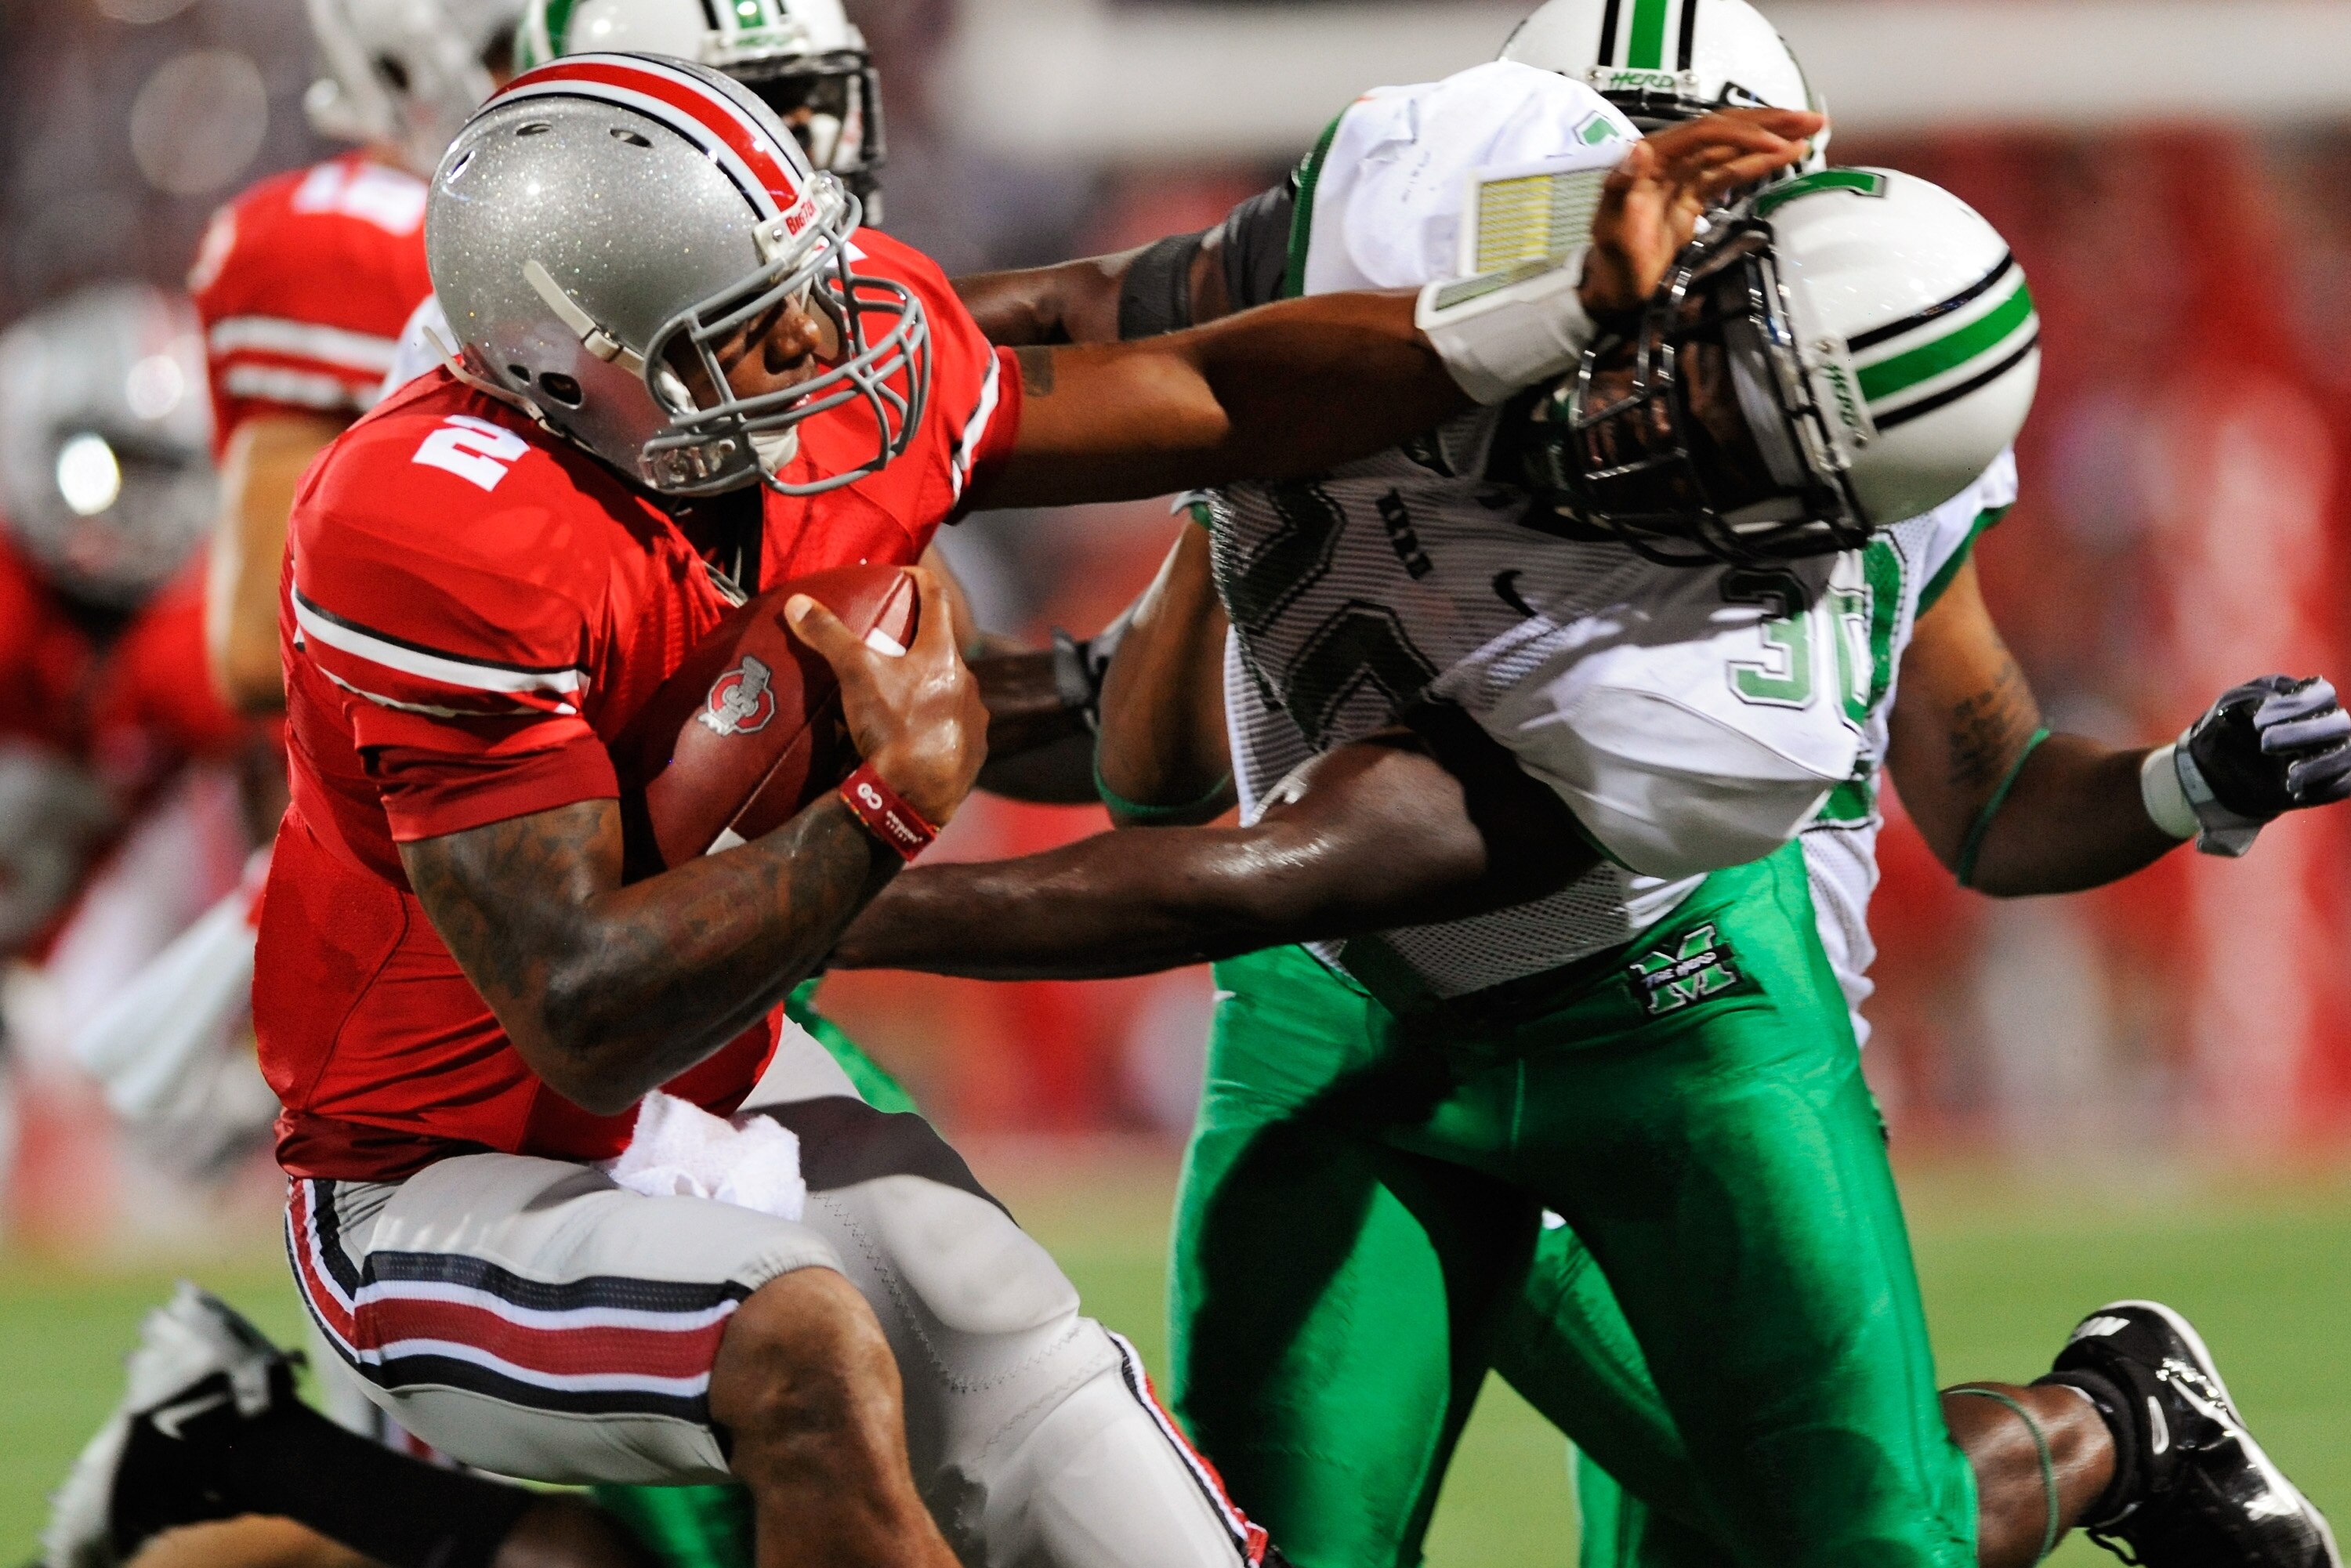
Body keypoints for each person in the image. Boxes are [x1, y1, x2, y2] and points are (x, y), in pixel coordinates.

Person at [147, 49, 1806, 1568]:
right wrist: (883, 805)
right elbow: (581, 1009)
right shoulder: (429, 526)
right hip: (430, 1179)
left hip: (713, 1087)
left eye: (800, 291)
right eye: (747, 330)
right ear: (564, 376)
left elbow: (1211, 394)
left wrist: (1541, 308)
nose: (817, 350)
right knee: (802, 1346)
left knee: (1049, 1395)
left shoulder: (831, 369)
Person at [836, 32, 2347, 1568]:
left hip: (1655, 1024)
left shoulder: (1733, 686)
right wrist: (808, 384)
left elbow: (1278, 863)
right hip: (1341, 1009)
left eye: (1749, 449)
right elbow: (1103, 428)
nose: (1667, 427)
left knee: (1854, 1540)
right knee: (1266, 1539)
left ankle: (2117, 1416)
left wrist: (819, 899)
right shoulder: (1454, 200)